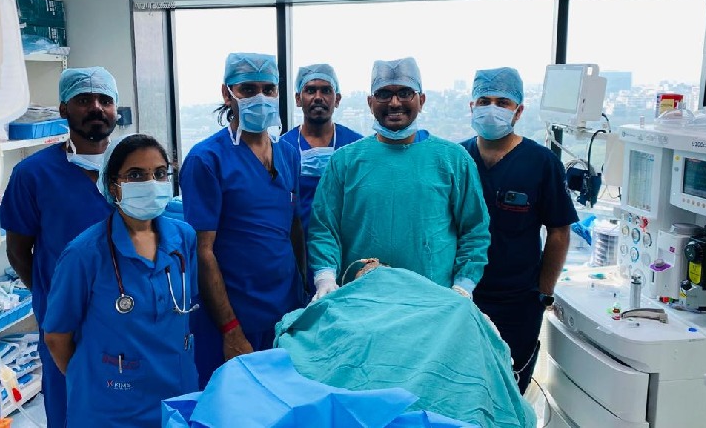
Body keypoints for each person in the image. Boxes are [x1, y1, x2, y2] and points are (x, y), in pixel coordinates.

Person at [43, 134, 199, 427]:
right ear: (114, 186)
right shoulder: (84, 254)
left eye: (159, 173)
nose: (151, 183)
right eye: (136, 175)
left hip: (176, 396)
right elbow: (56, 336)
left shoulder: (183, 239)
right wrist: (95, 381)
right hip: (111, 408)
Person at [307, 57, 491, 300]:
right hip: (361, 299)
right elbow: (324, 228)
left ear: (421, 100)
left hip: (433, 300)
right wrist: (326, 277)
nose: (394, 103)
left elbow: (474, 229)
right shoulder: (344, 161)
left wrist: (463, 285)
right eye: (384, 94)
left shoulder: (453, 160)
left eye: (405, 93)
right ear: (370, 102)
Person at [0, 66, 119, 427]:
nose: (96, 108)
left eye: (105, 100)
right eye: (84, 100)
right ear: (64, 108)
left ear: (115, 109)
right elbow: (18, 251)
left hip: (128, 321)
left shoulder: (133, 168)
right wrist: (53, 298)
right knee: (71, 411)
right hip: (66, 329)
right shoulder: (33, 174)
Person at [179, 52, 306, 387]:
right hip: (234, 318)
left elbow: (292, 228)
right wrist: (230, 330)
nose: (260, 98)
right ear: (227, 93)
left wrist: (304, 298)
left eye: (268, 89)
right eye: (248, 89)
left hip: (285, 314)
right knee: (235, 405)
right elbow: (203, 251)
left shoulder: (287, 154)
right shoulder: (207, 159)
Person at [460, 67, 578, 394]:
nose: (491, 109)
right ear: (472, 106)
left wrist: (543, 292)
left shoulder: (541, 162)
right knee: (463, 387)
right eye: (484, 100)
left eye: (502, 102)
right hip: (462, 296)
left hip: (517, 302)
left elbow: (559, 231)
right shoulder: (458, 158)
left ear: (519, 110)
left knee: (508, 388)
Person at [281, 64, 362, 290]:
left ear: (337, 99)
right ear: (298, 99)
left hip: (347, 253)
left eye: (326, 90)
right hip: (296, 252)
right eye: (310, 90)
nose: (318, 97)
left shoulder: (356, 147)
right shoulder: (281, 148)